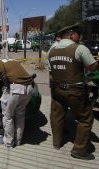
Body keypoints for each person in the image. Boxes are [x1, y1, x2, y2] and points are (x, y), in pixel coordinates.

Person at [48, 24, 97, 160]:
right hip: (74, 91)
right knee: (86, 118)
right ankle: (79, 150)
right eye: (77, 34)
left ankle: (57, 143)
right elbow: (92, 67)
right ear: (71, 35)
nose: (79, 37)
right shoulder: (79, 48)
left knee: (57, 115)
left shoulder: (52, 50)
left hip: (56, 89)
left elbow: (51, 70)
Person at [0, 59, 34, 148]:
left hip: (16, 89)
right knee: (20, 115)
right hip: (29, 88)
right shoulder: (13, 61)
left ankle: (9, 143)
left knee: (7, 117)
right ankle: (18, 140)